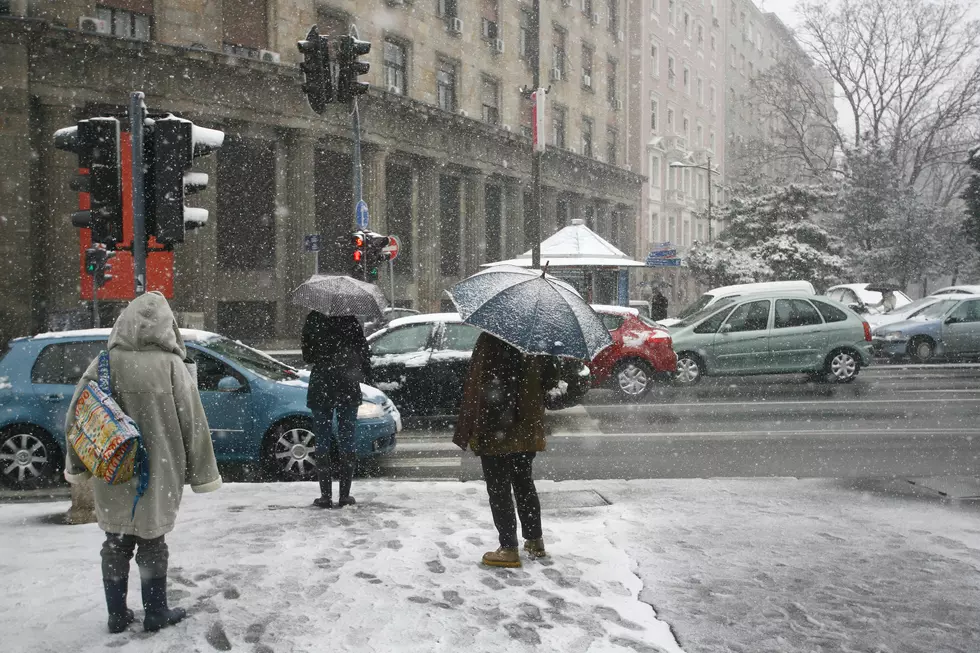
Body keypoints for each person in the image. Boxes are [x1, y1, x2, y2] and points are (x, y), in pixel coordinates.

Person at [64, 291, 222, 634]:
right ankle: (155, 612)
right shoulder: (172, 367)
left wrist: (77, 467)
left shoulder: (104, 362)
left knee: (116, 542)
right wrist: (202, 474)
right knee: (152, 541)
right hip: (160, 470)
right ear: (169, 328)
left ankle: (117, 614)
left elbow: (78, 418)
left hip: (113, 468)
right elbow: (193, 423)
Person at [453, 332, 561, 568]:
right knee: (523, 482)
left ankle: (509, 548)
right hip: (526, 425)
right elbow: (551, 380)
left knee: (499, 487)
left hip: (496, 427)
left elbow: (481, 383)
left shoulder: (491, 337)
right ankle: (534, 540)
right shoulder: (537, 339)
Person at [302, 312, 372, 509]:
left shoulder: (313, 319)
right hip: (347, 384)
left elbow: (307, 356)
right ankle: (344, 496)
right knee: (347, 437)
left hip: (321, 385)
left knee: (322, 438)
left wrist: (324, 355)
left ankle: (325, 496)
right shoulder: (350, 321)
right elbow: (364, 353)